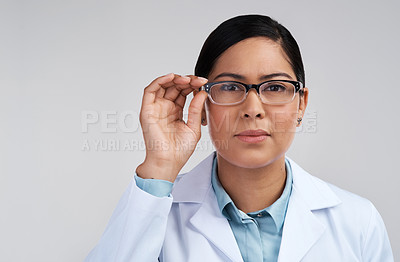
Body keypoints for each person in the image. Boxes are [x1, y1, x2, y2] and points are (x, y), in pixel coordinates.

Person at [84, 14, 393, 262]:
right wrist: (160, 165)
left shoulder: (358, 222)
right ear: (202, 105)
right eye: (230, 87)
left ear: (301, 104)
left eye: (274, 87)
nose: (253, 109)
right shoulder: (158, 212)